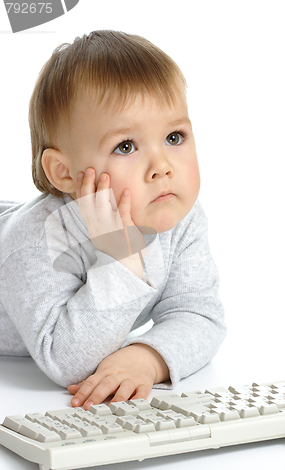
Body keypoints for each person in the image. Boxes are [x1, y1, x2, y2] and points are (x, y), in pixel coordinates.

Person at [0, 30, 227, 410]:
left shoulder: (179, 217)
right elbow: (64, 359)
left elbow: (199, 314)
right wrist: (122, 259)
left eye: (174, 137)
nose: (162, 168)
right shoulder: (37, 242)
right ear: (64, 172)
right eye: (126, 146)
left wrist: (147, 357)